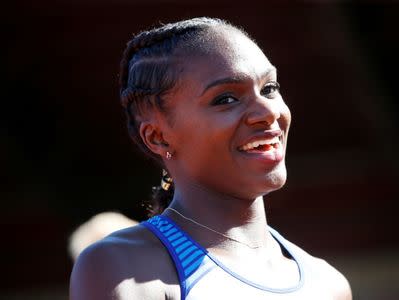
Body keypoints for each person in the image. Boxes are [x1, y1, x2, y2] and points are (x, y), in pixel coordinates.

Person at [70, 17, 352, 300]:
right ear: (158, 137)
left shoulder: (327, 284)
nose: (268, 111)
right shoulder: (124, 268)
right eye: (226, 99)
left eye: (269, 88)